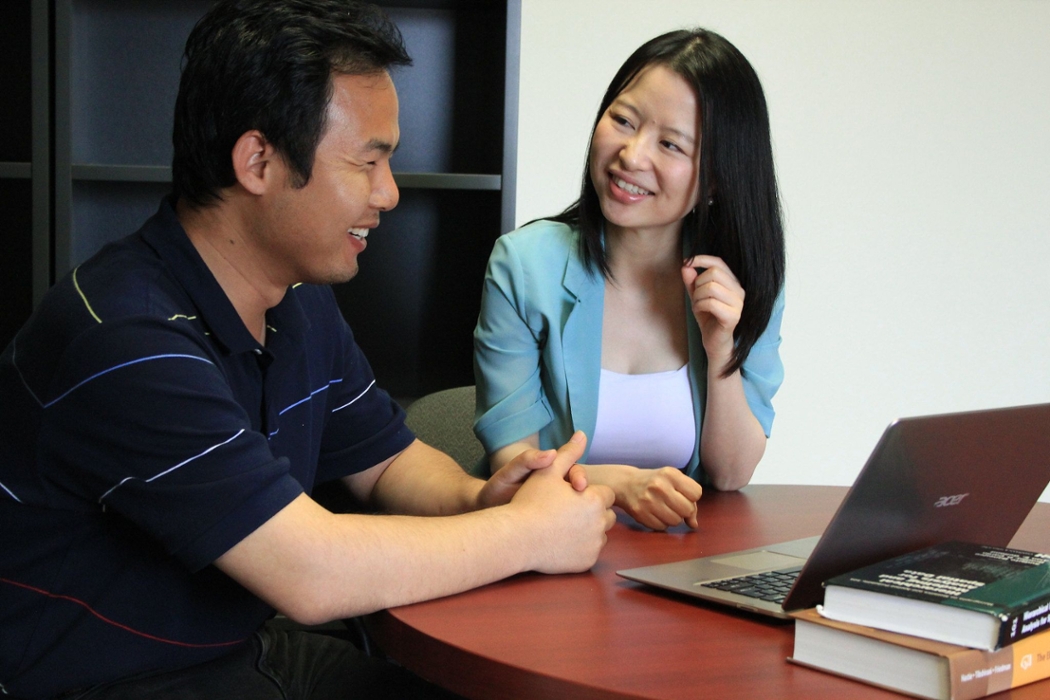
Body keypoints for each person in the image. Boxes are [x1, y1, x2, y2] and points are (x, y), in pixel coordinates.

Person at [0, 1, 615, 698]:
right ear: (259, 159)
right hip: (107, 684)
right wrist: (529, 534)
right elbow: (312, 573)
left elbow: (387, 465)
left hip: (247, 657)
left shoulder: (295, 298)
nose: (388, 194)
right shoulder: (124, 336)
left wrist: (483, 497)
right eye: (368, 161)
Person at [473, 28, 785, 532]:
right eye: (623, 120)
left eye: (670, 144)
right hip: (542, 556)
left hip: (678, 565)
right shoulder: (527, 265)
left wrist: (721, 346)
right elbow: (512, 467)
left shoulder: (739, 282)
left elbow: (731, 474)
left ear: (716, 182)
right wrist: (618, 485)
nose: (632, 155)